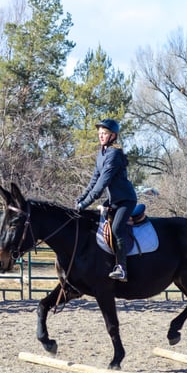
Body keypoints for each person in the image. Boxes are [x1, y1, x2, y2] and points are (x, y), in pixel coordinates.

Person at [75, 118, 137, 282]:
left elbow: (102, 183)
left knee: (117, 228)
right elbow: (93, 182)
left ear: (113, 136)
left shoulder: (114, 154)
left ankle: (122, 268)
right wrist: (80, 200)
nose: (101, 136)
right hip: (113, 201)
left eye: (105, 133)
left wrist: (85, 203)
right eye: (100, 133)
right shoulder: (101, 154)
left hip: (126, 200)